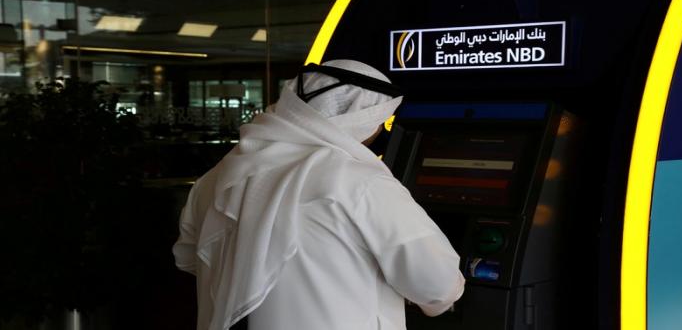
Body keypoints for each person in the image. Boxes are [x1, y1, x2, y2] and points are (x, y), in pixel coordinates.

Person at [173, 59, 465, 330]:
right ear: (363, 119)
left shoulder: (218, 177)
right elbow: (436, 282)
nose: (380, 131)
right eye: (381, 122)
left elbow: (189, 258)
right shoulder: (361, 182)